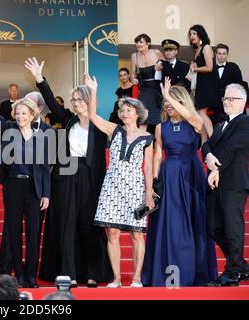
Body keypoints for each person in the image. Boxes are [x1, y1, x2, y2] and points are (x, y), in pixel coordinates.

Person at [25, 57, 113, 288]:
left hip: (90, 177)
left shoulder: (100, 125)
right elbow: (53, 104)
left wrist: (93, 92)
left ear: (88, 100)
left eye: (79, 99)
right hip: (65, 175)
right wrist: (39, 79)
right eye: (74, 99)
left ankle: (93, 272)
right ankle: (69, 273)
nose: (76, 103)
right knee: (66, 223)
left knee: (89, 224)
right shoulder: (68, 120)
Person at [0, 74, 51, 289]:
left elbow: (45, 168)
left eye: (23, 113)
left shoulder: (43, 135)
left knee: (34, 234)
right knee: (14, 232)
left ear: (32, 114)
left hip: (34, 188)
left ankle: (31, 276)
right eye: (17, 113)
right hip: (12, 187)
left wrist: (46, 193)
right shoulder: (9, 129)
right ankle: (18, 275)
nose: (19, 116)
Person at [142, 79, 217, 287]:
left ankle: (194, 272)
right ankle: (166, 274)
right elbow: (157, 155)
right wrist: (155, 184)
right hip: (169, 175)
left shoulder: (194, 122)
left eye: (174, 101)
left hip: (191, 175)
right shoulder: (160, 127)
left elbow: (194, 119)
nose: (168, 104)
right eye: (166, 102)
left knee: (193, 223)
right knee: (170, 223)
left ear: (182, 102)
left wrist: (168, 96)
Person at [88, 75, 154, 288]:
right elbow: (92, 116)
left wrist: (149, 194)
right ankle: (116, 278)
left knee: (136, 234)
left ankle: (136, 278)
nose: (124, 113)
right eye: (122, 110)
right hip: (112, 188)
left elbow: (149, 167)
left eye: (128, 110)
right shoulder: (114, 130)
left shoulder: (147, 138)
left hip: (135, 189)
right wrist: (93, 90)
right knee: (112, 233)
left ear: (137, 113)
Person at [203, 84, 249, 286]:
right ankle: (240, 266)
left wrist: (214, 168)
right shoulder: (221, 124)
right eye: (225, 98)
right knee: (213, 228)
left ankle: (231, 274)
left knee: (233, 228)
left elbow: (231, 149)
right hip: (215, 185)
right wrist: (209, 155)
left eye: (232, 99)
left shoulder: (245, 123)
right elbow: (206, 144)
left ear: (243, 103)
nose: (227, 102)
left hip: (233, 183)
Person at [189, 24, 220, 141]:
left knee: (202, 113)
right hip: (201, 85)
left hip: (208, 86)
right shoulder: (197, 50)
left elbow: (209, 67)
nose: (191, 36)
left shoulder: (206, 47)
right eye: (190, 34)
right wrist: (195, 65)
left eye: (194, 33)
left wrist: (195, 68)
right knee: (200, 114)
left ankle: (213, 142)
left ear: (200, 35)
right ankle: (204, 144)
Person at [131, 34, 165, 133]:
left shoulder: (156, 52)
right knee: (143, 118)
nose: (138, 44)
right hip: (144, 90)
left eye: (141, 42)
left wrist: (161, 67)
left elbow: (167, 68)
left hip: (157, 89)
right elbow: (132, 73)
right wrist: (133, 79)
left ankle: (160, 145)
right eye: (137, 42)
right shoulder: (134, 56)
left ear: (148, 43)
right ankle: (141, 145)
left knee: (159, 119)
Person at [213, 44, 244, 125]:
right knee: (219, 126)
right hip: (217, 105)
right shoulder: (212, 69)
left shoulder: (233, 67)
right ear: (216, 54)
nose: (221, 56)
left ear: (227, 54)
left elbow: (239, 85)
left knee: (234, 126)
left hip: (231, 102)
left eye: (224, 54)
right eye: (219, 53)